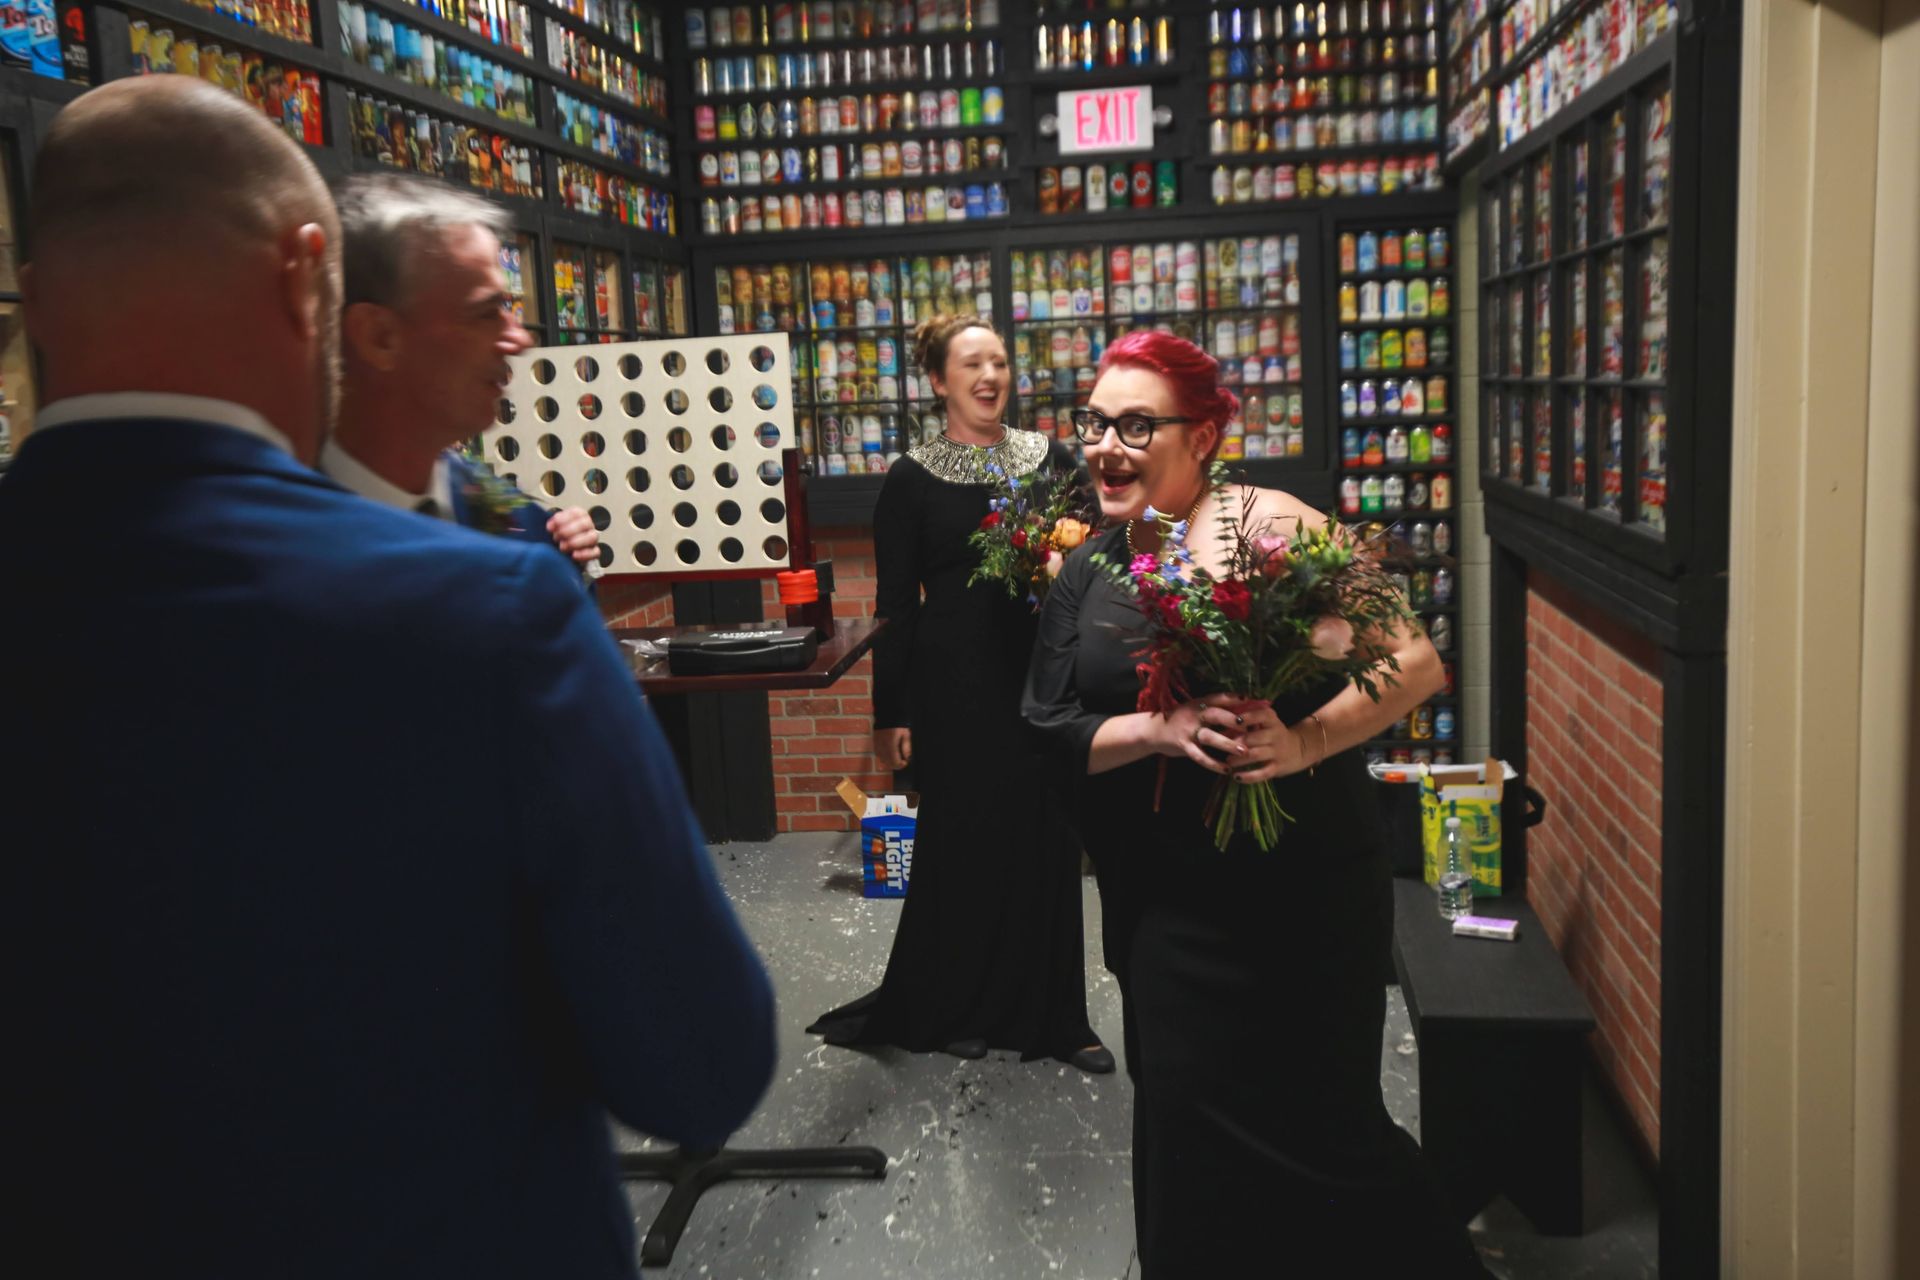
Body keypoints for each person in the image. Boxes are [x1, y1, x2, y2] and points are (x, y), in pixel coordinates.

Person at [0, 77, 775, 1279]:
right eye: (489, 312)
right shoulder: (486, 608)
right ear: (308, 275)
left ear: (37, 298)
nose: (515, 340)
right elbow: (702, 1057)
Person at [1022, 331, 1491, 1276]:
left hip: (1304, 891)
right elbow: (1048, 725)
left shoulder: (1274, 524)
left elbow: (1416, 661)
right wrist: (1160, 731)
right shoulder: (1089, 566)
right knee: (1186, 1121)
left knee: (1327, 1127)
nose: (1106, 445)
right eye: (1095, 422)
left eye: (1135, 424)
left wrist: (1307, 738)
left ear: (1202, 435)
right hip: (1168, 902)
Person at [807, 314, 1112, 1074]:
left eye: (1001, 363)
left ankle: (1056, 1019)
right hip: (953, 687)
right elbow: (894, 607)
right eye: (972, 364)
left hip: (1043, 679)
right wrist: (890, 714)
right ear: (939, 381)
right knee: (965, 843)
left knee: (1047, 840)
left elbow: (1096, 566)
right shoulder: (911, 478)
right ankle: (958, 1008)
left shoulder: (1051, 460)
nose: (990, 376)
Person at [325, 172, 599, 566]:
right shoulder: (267, 542)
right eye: (486, 313)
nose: (519, 341)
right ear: (379, 336)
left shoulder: (519, 525)